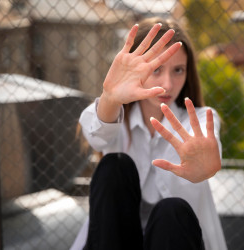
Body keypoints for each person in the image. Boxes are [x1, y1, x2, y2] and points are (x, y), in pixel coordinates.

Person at [78, 17, 228, 250]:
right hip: (114, 241)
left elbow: (211, 143)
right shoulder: (117, 116)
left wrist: (206, 167)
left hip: (174, 242)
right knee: (114, 167)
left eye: (178, 70)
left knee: (172, 211)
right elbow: (96, 134)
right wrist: (110, 97)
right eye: (156, 69)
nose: (167, 84)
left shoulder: (200, 119)